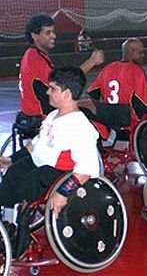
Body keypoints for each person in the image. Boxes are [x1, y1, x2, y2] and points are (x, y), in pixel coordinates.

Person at [0, 66, 100, 258]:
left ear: (67, 93)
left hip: (60, 173)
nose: (47, 92)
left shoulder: (80, 126)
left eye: (52, 88)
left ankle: (21, 236)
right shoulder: (54, 116)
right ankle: (6, 225)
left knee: (34, 179)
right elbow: (36, 144)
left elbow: (86, 169)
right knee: (14, 174)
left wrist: (63, 193)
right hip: (41, 166)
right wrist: (10, 160)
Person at [18, 14, 104, 127]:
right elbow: (67, 81)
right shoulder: (36, 60)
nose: (53, 36)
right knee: (91, 121)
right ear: (35, 35)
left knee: (85, 113)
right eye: (48, 33)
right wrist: (91, 62)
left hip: (31, 114)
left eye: (53, 32)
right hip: (41, 117)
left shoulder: (32, 54)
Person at [87, 38, 147, 128]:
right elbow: (144, 103)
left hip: (109, 123)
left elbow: (93, 92)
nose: (143, 55)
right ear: (131, 51)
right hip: (129, 124)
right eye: (140, 52)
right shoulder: (136, 71)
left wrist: (106, 109)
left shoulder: (107, 68)